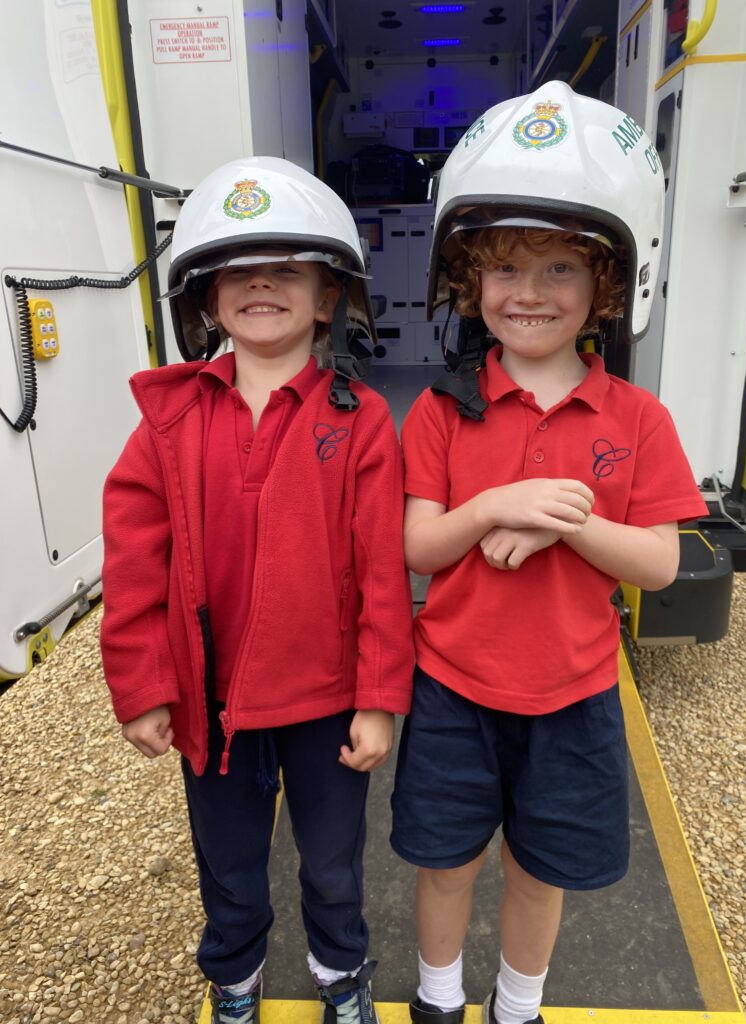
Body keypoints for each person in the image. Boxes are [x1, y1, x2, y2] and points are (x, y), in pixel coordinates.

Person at [390, 82, 708, 1024]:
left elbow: (655, 564)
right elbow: (418, 544)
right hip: (453, 686)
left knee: (540, 870)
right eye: (505, 270)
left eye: (560, 270)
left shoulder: (637, 419)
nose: (528, 293)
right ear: (469, 283)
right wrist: (498, 500)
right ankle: (437, 998)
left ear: (609, 286)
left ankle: (517, 1007)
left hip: (574, 695)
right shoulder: (444, 409)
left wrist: (561, 520)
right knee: (447, 863)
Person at [100, 156, 414, 1024]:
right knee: (229, 865)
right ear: (204, 301)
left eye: (289, 267)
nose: (262, 282)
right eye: (238, 269)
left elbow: (384, 574)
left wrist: (381, 698)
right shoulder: (167, 422)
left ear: (329, 298)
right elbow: (133, 569)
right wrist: (142, 687)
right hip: (213, 709)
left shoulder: (359, 424)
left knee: (333, 864)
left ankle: (340, 976)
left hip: (325, 706)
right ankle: (234, 981)